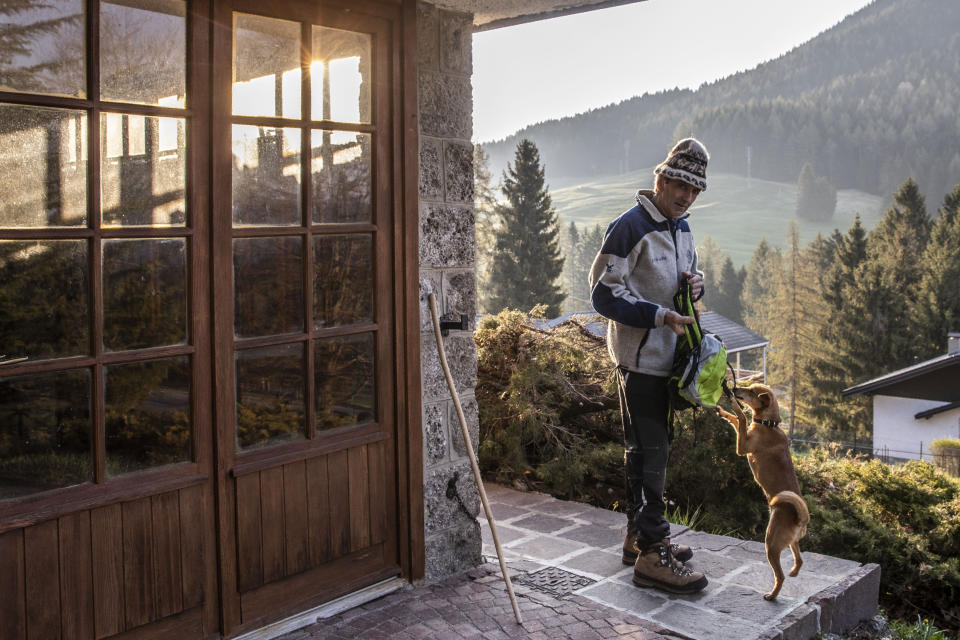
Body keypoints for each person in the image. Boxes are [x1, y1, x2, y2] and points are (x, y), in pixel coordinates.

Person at [588, 137, 710, 595]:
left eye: (694, 190)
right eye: (680, 184)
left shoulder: (683, 229)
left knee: (645, 450)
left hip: (668, 363)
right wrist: (659, 316)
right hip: (638, 362)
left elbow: (683, 285)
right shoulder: (630, 226)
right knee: (652, 453)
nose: (685, 196)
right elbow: (603, 295)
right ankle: (653, 554)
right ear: (661, 179)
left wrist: (695, 286)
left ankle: (638, 537)